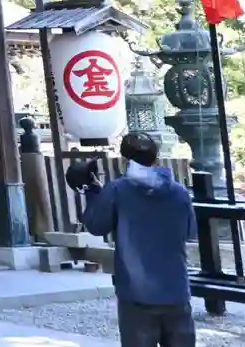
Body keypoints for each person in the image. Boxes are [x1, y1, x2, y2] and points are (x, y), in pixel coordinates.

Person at [79, 132, 197, 347]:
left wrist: (92, 191)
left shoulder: (118, 190)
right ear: (156, 158)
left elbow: (96, 226)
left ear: (125, 160)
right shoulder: (180, 192)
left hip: (136, 293)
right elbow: (190, 231)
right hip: (176, 290)